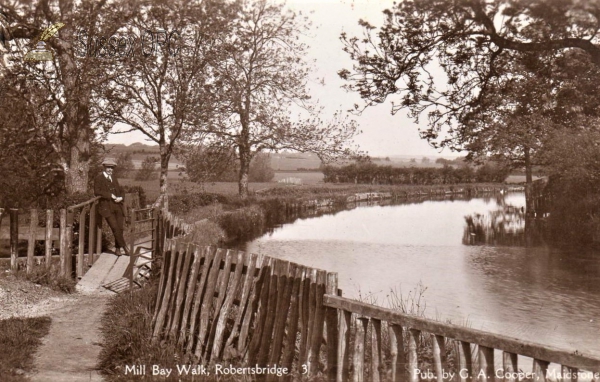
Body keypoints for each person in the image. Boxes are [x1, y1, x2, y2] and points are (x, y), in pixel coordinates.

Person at [94, 158, 129, 256]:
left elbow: (121, 190)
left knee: (120, 228)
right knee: (114, 228)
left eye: (112, 168)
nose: (110, 169)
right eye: (108, 167)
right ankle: (125, 247)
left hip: (117, 206)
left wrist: (121, 197)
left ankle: (117, 249)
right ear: (104, 167)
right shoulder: (99, 178)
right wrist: (110, 195)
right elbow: (97, 191)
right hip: (106, 207)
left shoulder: (113, 177)